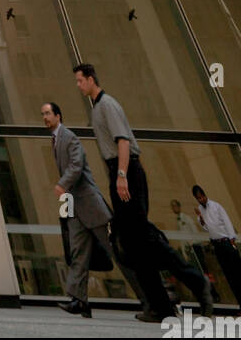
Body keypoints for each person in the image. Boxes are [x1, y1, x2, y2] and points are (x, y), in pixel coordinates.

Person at [73, 64, 214, 323]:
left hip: (125, 172)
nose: (78, 85)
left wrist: (124, 176)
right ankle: (161, 307)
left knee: (142, 239)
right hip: (123, 172)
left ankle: (195, 281)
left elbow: (123, 142)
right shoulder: (98, 108)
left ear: (91, 79)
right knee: (135, 244)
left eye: (80, 81)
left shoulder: (107, 105)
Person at [41, 100, 112, 318]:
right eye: (42, 114)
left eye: (48, 113)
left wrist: (62, 183)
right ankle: (79, 301)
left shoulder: (69, 137)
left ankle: (152, 297)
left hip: (90, 205)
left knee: (118, 251)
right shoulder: (54, 140)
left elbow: (76, 165)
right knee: (78, 253)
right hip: (74, 206)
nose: (44, 117)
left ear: (58, 116)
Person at [193, 184, 241, 315]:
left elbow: (227, 222)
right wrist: (200, 219)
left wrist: (232, 240)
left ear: (205, 195)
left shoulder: (216, 206)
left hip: (227, 242)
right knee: (231, 278)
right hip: (217, 246)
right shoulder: (200, 210)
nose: (201, 200)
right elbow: (207, 228)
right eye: (198, 198)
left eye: (202, 196)